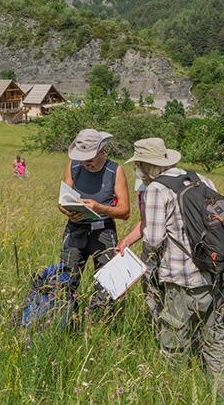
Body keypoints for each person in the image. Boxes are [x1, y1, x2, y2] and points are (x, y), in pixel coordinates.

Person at [117, 138, 224, 400]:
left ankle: (175, 395)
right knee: (215, 342)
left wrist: (143, 265)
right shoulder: (199, 178)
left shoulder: (157, 189)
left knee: (174, 345)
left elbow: (154, 239)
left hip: (183, 279)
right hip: (217, 272)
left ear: (145, 165)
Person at [59, 129, 130, 312]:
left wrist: (99, 208)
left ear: (102, 151)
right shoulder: (73, 166)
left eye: (90, 158)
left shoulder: (115, 170)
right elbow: (62, 201)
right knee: (67, 279)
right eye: (82, 158)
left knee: (107, 283)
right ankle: (69, 321)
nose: (86, 163)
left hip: (103, 231)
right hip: (75, 229)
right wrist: (68, 212)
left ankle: (99, 320)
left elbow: (125, 211)